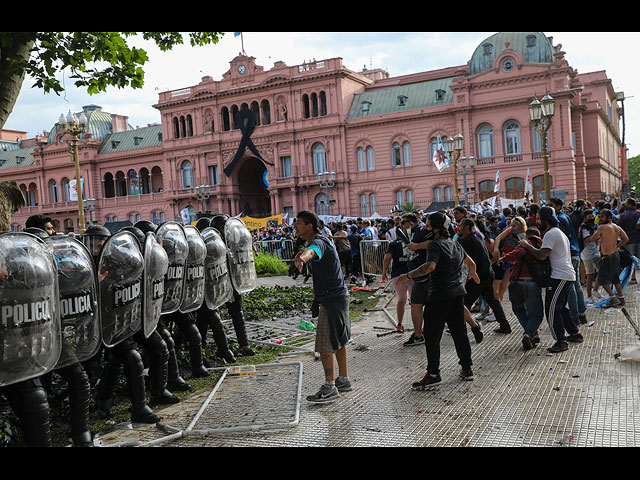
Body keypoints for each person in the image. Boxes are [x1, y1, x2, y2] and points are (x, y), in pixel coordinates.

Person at [396, 212, 480, 388]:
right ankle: (467, 368)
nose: (425, 229)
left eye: (427, 226)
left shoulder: (435, 245)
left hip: (440, 294)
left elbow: (430, 266)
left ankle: (433, 373)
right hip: (457, 293)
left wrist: (407, 275)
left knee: (432, 335)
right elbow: (471, 263)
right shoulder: (454, 243)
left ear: (436, 228)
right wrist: (473, 273)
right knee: (459, 332)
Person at [294, 210, 351, 403]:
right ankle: (342, 380)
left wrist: (303, 258)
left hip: (331, 299)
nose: (295, 226)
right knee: (339, 341)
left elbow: (313, 252)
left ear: (310, 225)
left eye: (299, 223)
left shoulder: (318, 242)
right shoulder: (322, 239)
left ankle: (330, 387)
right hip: (338, 296)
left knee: (325, 344)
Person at [518, 206, 583, 353]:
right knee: (561, 307)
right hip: (565, 275)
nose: (537, 221)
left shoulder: (550, 234)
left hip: (560, 277)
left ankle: (560, 341)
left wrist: (527, 245)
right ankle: (574, 333)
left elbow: (542, 255)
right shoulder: (557, 232)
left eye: (539, 218)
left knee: (552, 309)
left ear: (546, 220)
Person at [457, 218, 511, 335]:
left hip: (479, 275)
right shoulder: (478, 237)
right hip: (487, 273)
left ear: (467, 227)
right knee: (493, 301)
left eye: (460, 226)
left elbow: (455, 246)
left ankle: (459, 328)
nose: (459, 228)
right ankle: (505, 325)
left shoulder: (468, 240)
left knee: (464, 303)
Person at [500, 227, 545, 350]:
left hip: (516, 282)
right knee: (536, 314)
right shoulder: (541, 246)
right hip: (531, 283)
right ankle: (530, 333)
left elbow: (518, 253)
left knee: (519, 309)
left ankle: (530, 333)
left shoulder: (526, 243)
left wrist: (504, 258)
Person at [549, 197, 587, 325]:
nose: (550, 207)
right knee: (576, 286)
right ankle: (582, 314)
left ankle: (575, 316)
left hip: (569, 254)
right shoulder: (565, 217)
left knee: (571, 288)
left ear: (559, 206)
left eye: (552, 205)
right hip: (574, 252)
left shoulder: (559, 219)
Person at [587, 208, 628, 307]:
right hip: (615, 255)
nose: (600, 218)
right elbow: (626, 238)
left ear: (609, 217)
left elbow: (592, 239)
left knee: (602, 279)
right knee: (615, 278)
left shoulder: (602, 227)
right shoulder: (616, 227)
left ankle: (613, 298)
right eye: (599, 216)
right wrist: (617, 246)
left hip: (607, 257)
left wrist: (589, 236)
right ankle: (621, 298)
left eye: (602, 216)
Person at [402, 213, 431, 346]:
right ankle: (419, 335)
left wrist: (416, 246)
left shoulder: (421, 229)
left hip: (426, 276)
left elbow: (434, 243)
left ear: (411, 222)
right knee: (416, 305)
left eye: (403, 222)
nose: (401, 225)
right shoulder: (411, 232)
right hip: (419, 277)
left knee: (451, 305)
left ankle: (473, 325)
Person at [381, 237, 413, 333]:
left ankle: (399, 324)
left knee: (401, 299)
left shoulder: (393, 244)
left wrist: (384, 272)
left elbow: (387, 258)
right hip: (412, 274)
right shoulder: (413, 241)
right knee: (416, 302)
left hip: (397, 275)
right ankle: (418, 328)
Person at [578, 209, 601, 303]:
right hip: (587, 254)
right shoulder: (584, 227)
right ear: (585, 217)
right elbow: (588, 239)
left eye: (592, 215)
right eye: (589, 216)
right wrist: (599, 235)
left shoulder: (595, 226)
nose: (592, 217)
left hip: (595, 253)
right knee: (590, 275)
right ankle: (589, 296)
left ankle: (595, 290)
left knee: (601, 272)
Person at [617, 197, 640, 284]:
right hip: (639, 238)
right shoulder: (639, 214)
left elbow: (619, 227)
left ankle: (633, 278)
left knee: (631, 259)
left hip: (628, 240)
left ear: (629, 204)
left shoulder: (623, 215)